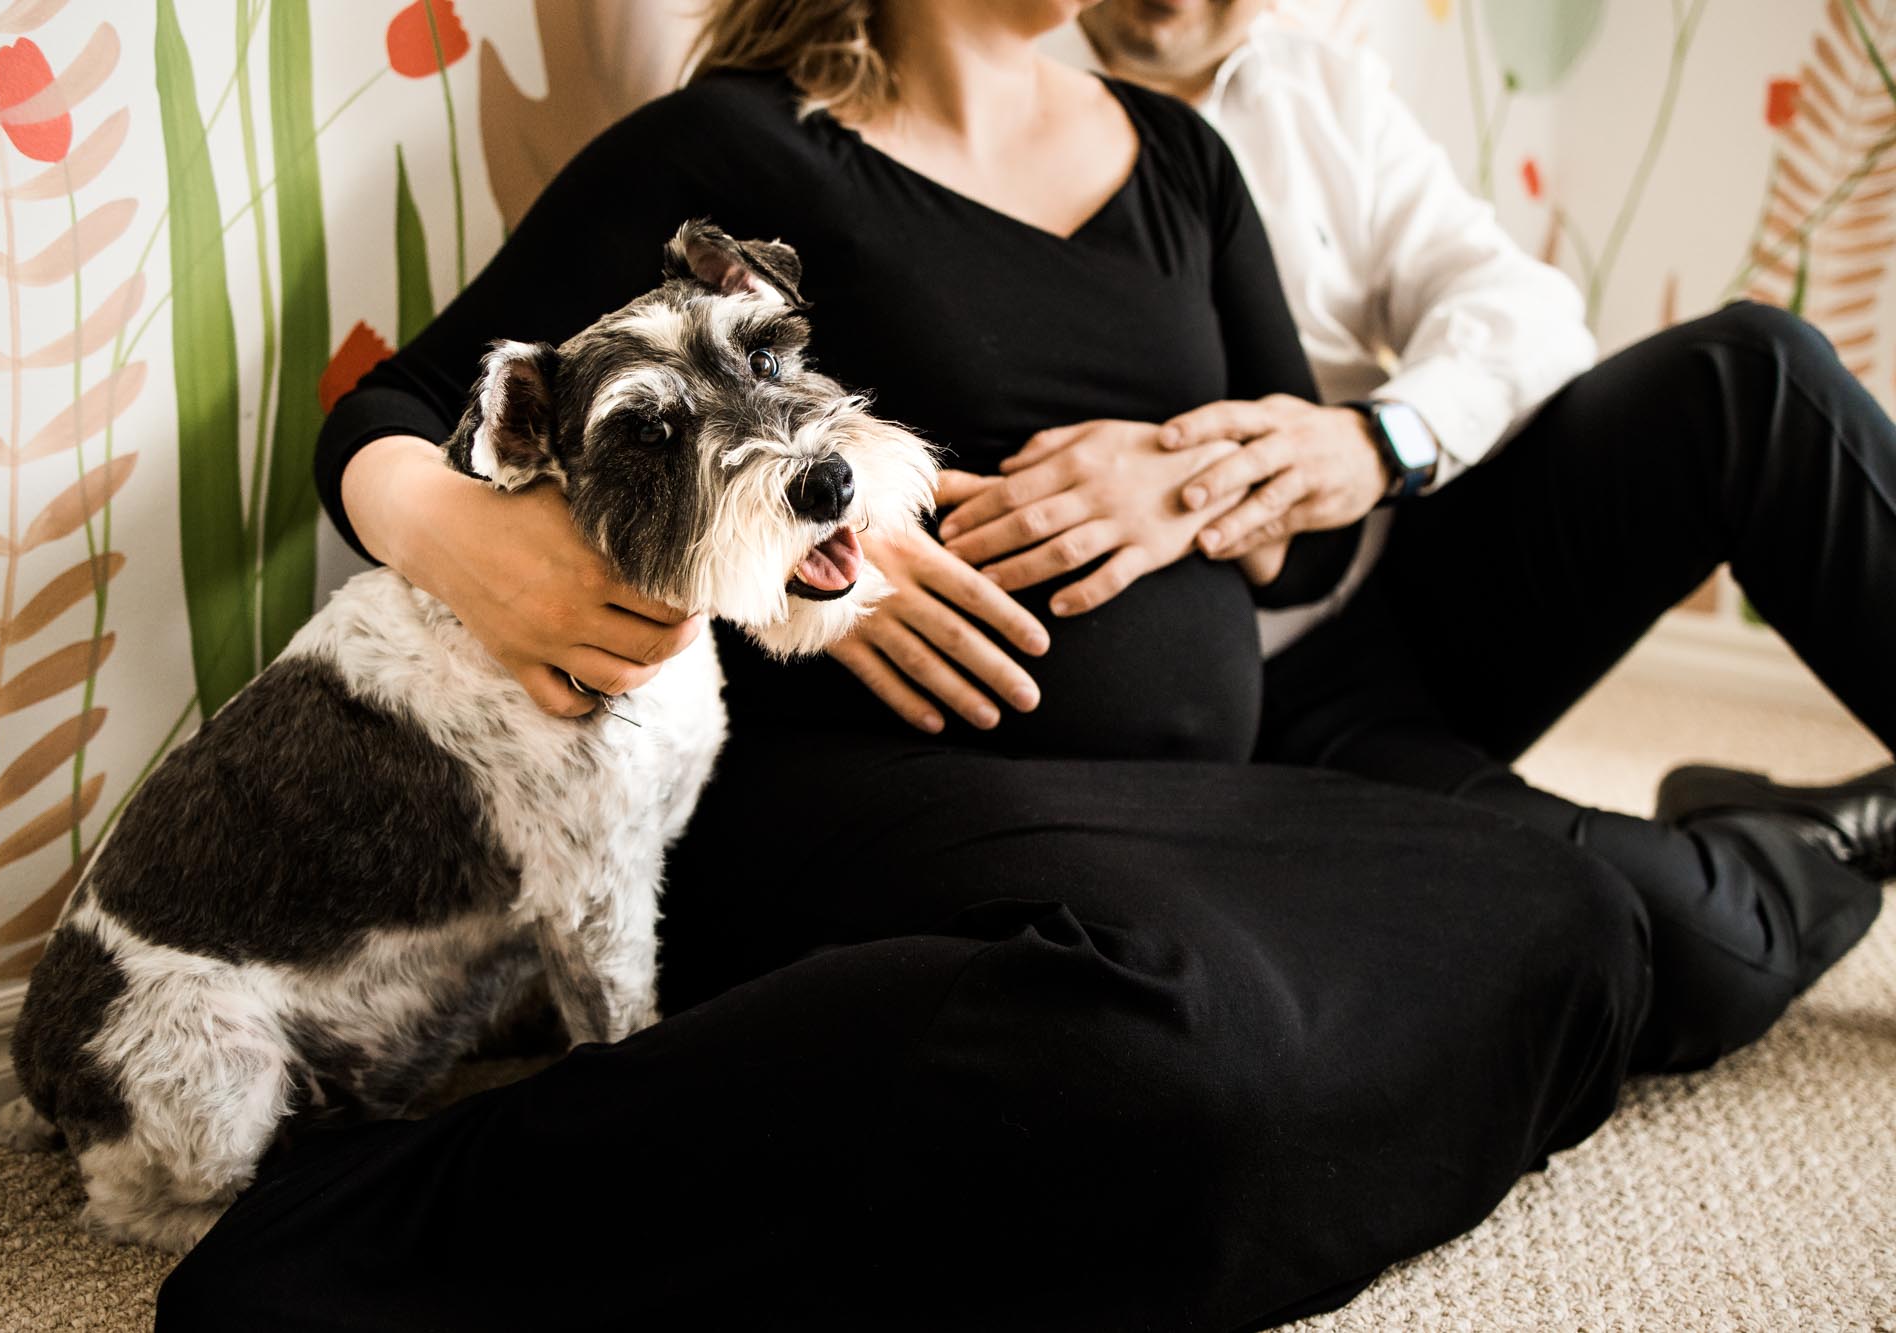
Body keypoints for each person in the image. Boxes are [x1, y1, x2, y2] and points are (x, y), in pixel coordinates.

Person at [151, 3, 1826, 1329]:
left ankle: (1805, 842)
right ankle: (414, 1212)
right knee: (1178, 1058)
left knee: (1582, 924)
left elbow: (1300, 554)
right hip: (855, 805)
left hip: (1201, 796)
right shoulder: (738, 151)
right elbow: (394, 411)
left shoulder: (1184, 160)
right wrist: (474, 542)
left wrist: (1217, 476)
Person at [927, 0, 1896, 1072]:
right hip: (1252, 723)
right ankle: (1804, 833)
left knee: (1749, 374)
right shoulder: (957, 100)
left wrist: (1372, 439)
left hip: (1413, 584)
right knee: (1692, 948)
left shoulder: (1319, 93)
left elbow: (1519, 307)